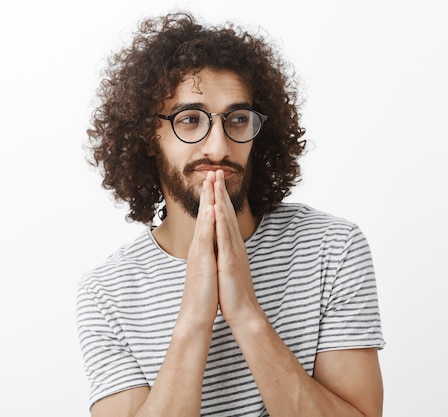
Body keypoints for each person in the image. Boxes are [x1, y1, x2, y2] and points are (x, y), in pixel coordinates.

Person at [76, 11, 385, 417]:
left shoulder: (332, 248)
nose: (219, 147)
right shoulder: (107, 293)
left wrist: (245, 314)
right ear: (148, 138)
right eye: (190, 120)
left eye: (237, 120)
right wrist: (194, 319)